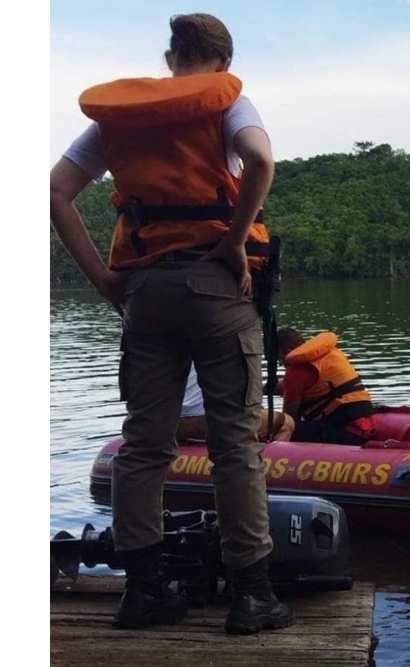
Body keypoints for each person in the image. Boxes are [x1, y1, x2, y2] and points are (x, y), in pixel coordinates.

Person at [49, 13, 295, 633]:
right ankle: (252, 596)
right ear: (224, 64)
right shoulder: (229, 104)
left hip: (146, 292)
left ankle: (145, 590)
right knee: (235, 443)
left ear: (170, 56)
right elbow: (261, 162)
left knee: (143, 444)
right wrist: (236, 241)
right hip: (216, 287)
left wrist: (104, 280)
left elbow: (55, 190)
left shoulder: (122, 117)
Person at [276, 327, 376, 445]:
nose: (281, 364)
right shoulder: (329, 353)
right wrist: (258, 388)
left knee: (281, 428)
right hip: (363, 427)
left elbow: (288, 420)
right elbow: (301, 384)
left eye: (280, 360)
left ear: (288, 352)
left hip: (346, 433)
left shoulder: (296, 370)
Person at [176, 364, 295, 443]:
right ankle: (270, 463)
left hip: (171, 423)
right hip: (209, 421)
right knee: (286, 422)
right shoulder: (229, 344)